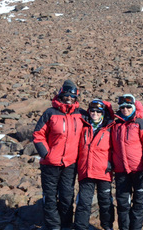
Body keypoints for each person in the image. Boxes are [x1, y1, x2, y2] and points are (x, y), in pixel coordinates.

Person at [33, 80, 84, 230]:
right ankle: (53, 226)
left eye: (72, 96)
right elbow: (38, 134)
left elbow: (97, 122)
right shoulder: (50, 113)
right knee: (49, 197)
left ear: (76, 98)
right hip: (50, 163)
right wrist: (46, 154)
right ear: (61, 95)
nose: (69, 98)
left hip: (70, 163)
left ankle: (66, 225)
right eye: (66, 95)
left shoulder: (80, 114)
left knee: (67, 196)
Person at [111, 94, 143, 230]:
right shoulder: (115, 125)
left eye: (128, 107)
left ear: (133, 107)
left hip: (139, 170)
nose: (125, 109)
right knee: (123, 204)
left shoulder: (141, 124)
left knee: (139, 204)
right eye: (122, 107)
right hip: (121, 171)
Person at [73, 99, 116, 230]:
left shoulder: (110, 128)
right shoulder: (83, 126)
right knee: (84, 202)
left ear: (103, 113)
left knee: (105, 202)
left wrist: (112, 163)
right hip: (86, 170)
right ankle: (80, 227)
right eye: (92, 111)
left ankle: (107, 226)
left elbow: (117, 149)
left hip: (104, 171)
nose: (95, 113)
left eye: (98, 111)